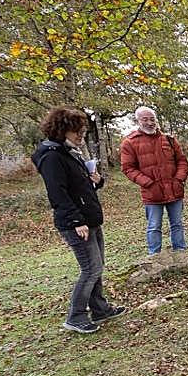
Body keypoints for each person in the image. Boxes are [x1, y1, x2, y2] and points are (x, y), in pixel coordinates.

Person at [31, 106, 126, 334]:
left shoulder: (69, 151)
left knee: (98, 266)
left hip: (90, 217)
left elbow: (80, 185)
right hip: (76, 223)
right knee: (90, 269)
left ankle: (100, 309)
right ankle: (76, 316)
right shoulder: (51, 156)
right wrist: (76, 221)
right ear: (62, 129)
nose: (81, 135)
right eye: (77, 131)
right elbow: (58, 193)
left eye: (82, 131)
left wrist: (97, 180)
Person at [120, 105, 188, 255]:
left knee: (177, 224)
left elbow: (182, 161)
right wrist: (148, 183)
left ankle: (181, 253)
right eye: (145, 119)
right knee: (154, 226)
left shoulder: (169, 140)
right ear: (138, 120)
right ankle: (154, 257)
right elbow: (128, 168)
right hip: (152, 193)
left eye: (152, 119)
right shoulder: (129, 143)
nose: (150, 123)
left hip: (174, 190)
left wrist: (179, 179)